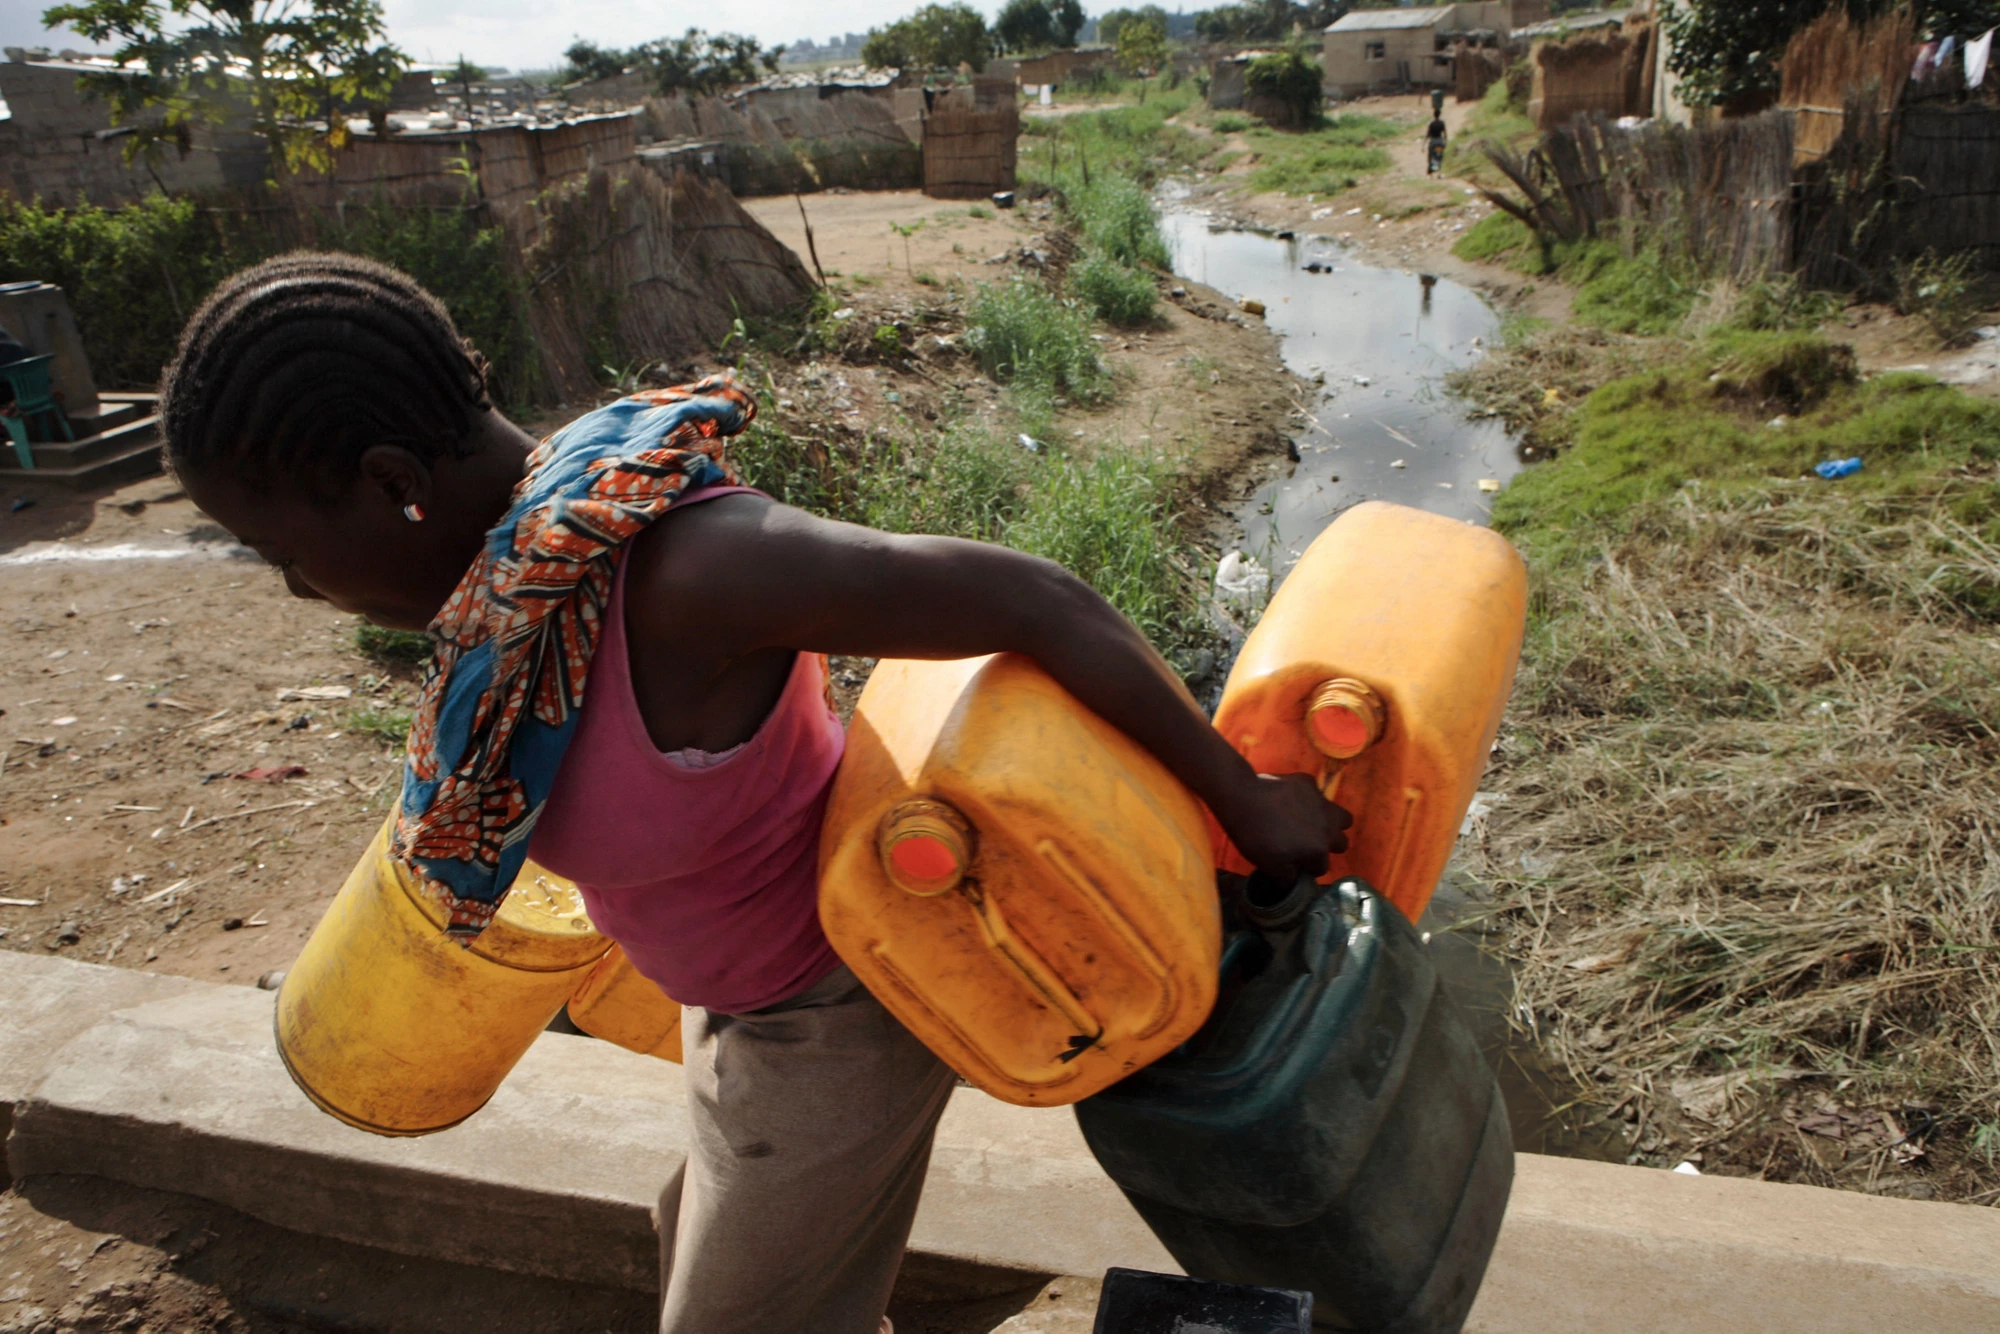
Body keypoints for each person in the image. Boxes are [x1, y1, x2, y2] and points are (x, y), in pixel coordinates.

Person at [159, 253, 1352, 1334]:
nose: (296, 593)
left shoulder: (686, 570)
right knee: (702, 1245)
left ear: (391, 481)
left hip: (837, 1005)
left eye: (283, 553)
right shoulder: (525, 585)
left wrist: (1244, 797)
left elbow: (1038, 600)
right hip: (734, 1007)